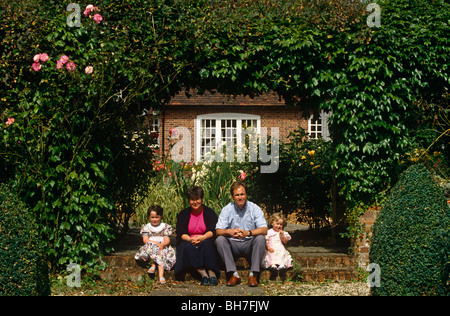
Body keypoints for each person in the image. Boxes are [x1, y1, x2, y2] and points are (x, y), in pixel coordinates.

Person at [215, 181, 268, 287]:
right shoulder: (227, 209)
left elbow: (264, 229)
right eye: (237, 195)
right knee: (219, 240)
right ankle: (233, 274)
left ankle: (253, 274)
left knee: (260, 238)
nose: (240, 197)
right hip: (233, 244)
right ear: (233, 197)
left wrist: (247, 233)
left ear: (246, 195)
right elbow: (218, 231)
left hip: (249, 243)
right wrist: (228, 231)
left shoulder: (254, 208)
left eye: (242, 194)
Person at [175, 185, 220, 286]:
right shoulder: (183, 214)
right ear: (189, 200)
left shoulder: (209, 213)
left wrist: (202, 237)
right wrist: (190, 239)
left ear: (201, 199)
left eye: (197, 199)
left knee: (208, 244)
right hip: (189, 239)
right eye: (192, 199)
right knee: (186, 246)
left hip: (205, 238)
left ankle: (212, 274)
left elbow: (213, 230)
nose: (195, 202)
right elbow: (181, 232)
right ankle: (203, 275)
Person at [134, 205, 176, 284]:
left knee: (160, 253)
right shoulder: (147, 227)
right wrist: (155, 243)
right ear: (149, 217)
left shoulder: (164, 227)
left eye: (157, 217)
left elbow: (167, 239)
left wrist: (162, 245)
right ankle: (153, 265)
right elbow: (145, 240)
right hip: (150, 246)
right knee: (153, 249)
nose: (154, 219)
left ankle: (161, 275)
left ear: (161, 217)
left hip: (162, 246)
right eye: (152, 217)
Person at [263, 212, 293, 280]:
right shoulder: (269, 232)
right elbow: (266, 241)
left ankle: (282, 266)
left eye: (281, 224)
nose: (279, 226)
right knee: (271, 255)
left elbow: (285, 241)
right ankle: (273, 266)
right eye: (277, 224)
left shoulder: (283, 233)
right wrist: (268, 248)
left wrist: (282, 235)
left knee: (282, 254)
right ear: (272, 223)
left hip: (280, 247)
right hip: (272, 248)